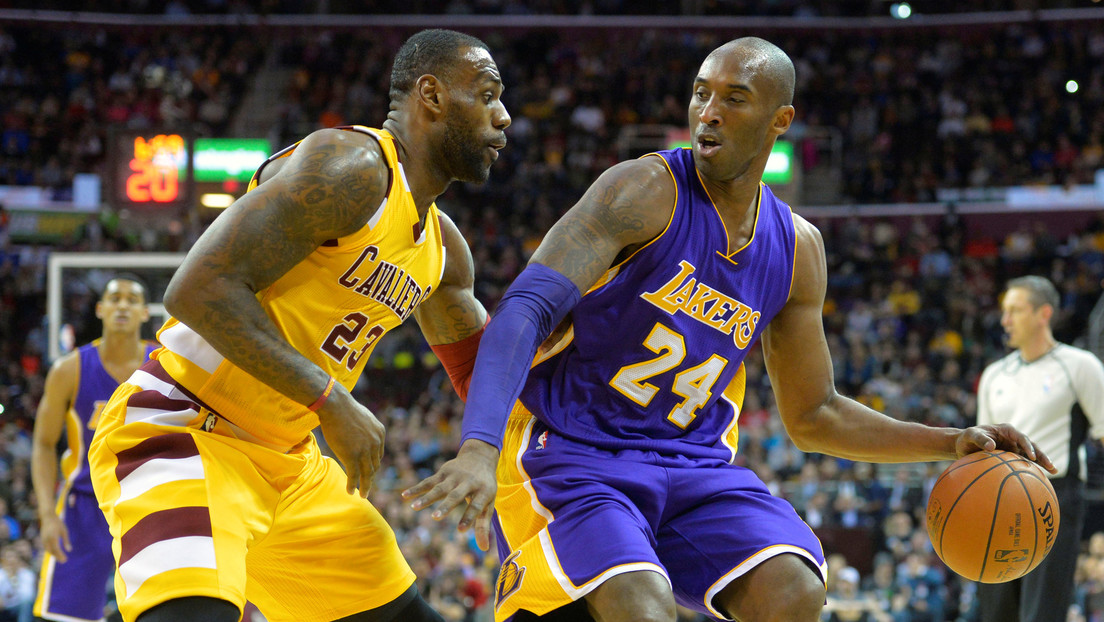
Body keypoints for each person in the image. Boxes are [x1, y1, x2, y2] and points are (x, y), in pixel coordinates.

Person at [403, 37, 1054, 622]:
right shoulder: (645, 190)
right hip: (575, 453)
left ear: (780, 120)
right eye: (700, 94)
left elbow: (816, 414)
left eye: (734, 99)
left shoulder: (798, 249)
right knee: (640, 605)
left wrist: (951, 443)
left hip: (692, 465)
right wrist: (479, 447)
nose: (708, 112)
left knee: (793, 590)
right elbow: (524, 308)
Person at [87, 28, 509, 622]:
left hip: (292, 465)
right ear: (432, 95)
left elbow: (483, 376)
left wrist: (501, 464)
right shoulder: (352, 168)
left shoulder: (444, 252)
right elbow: (196, 289)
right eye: (487, 96)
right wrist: (329, 398)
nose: (503, 117)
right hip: (188, 432)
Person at [975, 275, 1104, 622]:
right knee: (997, 612)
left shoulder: (1080, 366)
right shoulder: (994, 375)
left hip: (1055, 494)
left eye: (1015, 310)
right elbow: (982, 450)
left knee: (1043, 612)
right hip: (999, 496)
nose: (1005, 320)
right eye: (1004, 311)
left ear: (1043, 314)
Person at [31, 276, 155, 622]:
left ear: (145, 312)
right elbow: (43, 444)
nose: (123, 305)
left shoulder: (165, 364)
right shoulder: (69, 369)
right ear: (100, 309)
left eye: (132, 299)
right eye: (115, 298)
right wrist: (47, 515)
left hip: (150, 504)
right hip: (85, 505)